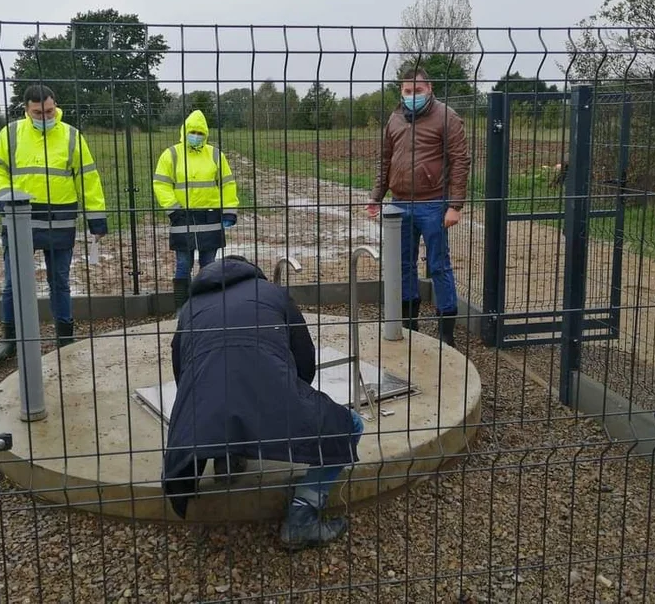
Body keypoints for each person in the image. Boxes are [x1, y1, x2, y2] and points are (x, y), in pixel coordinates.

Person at [162, 256, 363, 549]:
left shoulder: (191, 307)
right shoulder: (273, 293)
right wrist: (292, 400)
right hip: (270, 388)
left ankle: (226, 453)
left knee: (217, 408)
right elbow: (305, 358)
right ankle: (301, 517)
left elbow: (181, 370)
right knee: (349, 425)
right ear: (252, 273)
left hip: (203, 407)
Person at [0, 85, 107, 362]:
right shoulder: (11, 133)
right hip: (19, 219)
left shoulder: (71, 136)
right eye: (38, 112)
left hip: (61, 219)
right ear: (26, 109)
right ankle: (10, 339)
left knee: (60, 281)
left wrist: (96, 217)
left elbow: (87, 178)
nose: (45, 116)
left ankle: (65, 337)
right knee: (12, 283)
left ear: (56, 106)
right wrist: (4, 200)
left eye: (49, 111)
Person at [367, 66, 471, 347]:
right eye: (407, 91)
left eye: (418, 90)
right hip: (399, 204)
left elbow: (460, 162)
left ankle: (446, 331)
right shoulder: (395, 118)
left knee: (439, 266)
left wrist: (455, 205)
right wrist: (377, 196)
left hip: (433, 204)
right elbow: (385, 160)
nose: (412, 95)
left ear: (430, 89)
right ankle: (410, 325)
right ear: (401, 92)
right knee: (403, 266)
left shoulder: (446, 117)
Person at [152, 110, 239, 309]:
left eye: (200, 133)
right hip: (183, 217)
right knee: (183, 264)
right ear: (184, 132)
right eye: (193, 132)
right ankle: (182, 310)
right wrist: (173, 209)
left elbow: (228, 184)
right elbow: (161, 184)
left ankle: (206, 308)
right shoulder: (171, 154)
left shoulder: (215, 155)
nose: (196, 136)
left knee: (209, 265)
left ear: (206, 134)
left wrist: (229, 210)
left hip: (211, 217)